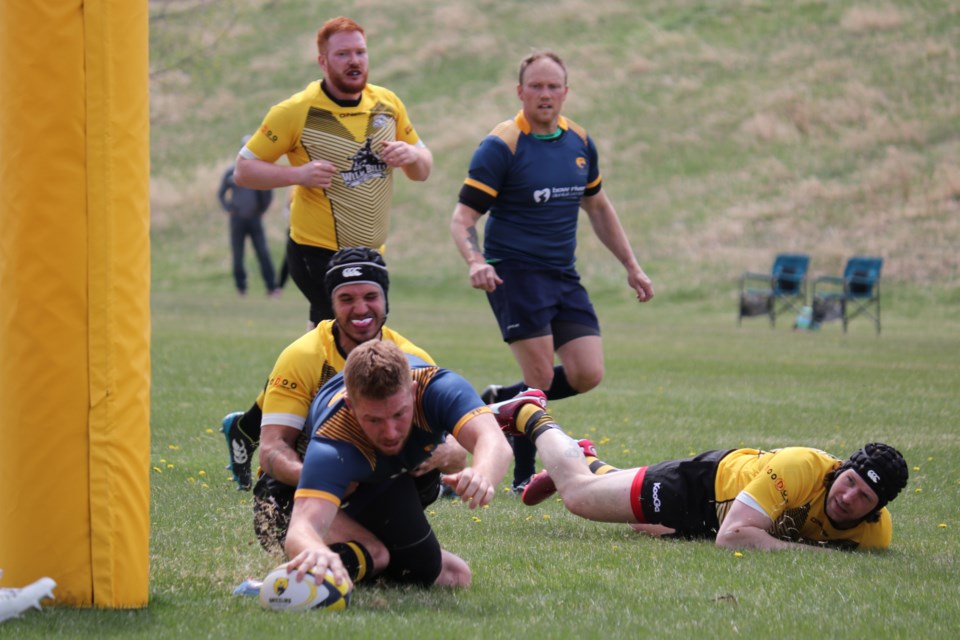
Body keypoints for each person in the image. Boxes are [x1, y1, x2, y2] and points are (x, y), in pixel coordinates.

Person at [450, 50, 654, 493]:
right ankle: (523, 475)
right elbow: (462, 218)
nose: (545, 94)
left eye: (553, 86)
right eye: (536, 86)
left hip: (563, 274)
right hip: (514, 273)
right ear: (520, 91)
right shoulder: (501, 146)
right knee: (540, 378)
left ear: (566, 92)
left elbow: (597, 206)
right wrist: (476, 262)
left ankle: (497, 403)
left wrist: (632, 266)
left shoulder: (579, 142)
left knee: (586, 373)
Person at [490, 391, 909, 550]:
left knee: (641, 526)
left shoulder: (874, 535)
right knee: (579, 497)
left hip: (720, 516)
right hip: (704, 486)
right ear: (840, 471)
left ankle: (587, 459)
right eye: (850, 483)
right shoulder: (802, 467)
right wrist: (817, 557)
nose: (848, 497)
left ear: (878, 509)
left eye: (864, 499)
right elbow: (733, 537)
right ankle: (529, 414)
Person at [220, 248, 464, 521]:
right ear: (331, 303)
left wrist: (441, 454)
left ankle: (382, 539)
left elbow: (457, 455)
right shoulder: (302, 356)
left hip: (379, 487)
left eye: (371, 297)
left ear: (385, 300)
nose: (360, 309)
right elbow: (271, 450)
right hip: (299, 491)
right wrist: (322, 477)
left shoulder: (414, 361)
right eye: (346, 299)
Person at [234, 16, 433, 327]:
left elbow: (423, 169)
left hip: (370, 253)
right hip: (317, 251)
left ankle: (310, 375)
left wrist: (411, 155)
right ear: (323, 62)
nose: (354, 61)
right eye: (343, 54)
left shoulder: (387, 103)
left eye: (360, 52)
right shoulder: (295, 111)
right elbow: (244, 171)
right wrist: (298, 175)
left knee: (340, 338)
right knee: (352, 337)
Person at [283, 341, 512, 590]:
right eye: (373, 419)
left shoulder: (436, 388)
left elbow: (494, 441)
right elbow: (300, 529)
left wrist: (482, 474)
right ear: (351, 405)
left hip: (396, 471)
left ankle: (365, 550)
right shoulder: (334, 442)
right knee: (395, 560)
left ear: (413, 392)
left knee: (457, 576)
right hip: (328, 487)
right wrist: (314, 549)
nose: (390, 432)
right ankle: (297, 577)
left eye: (399, 414)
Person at [217, 136, 279, 297]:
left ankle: (272, 287)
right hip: (237, 219)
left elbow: (268, 193)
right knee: (238, 254)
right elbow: (221, 193)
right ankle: (241, 287)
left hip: (254, 219)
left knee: (263, 253)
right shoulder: (231, 171)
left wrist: (261, 210)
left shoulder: (259, 171)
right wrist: (228, 208)